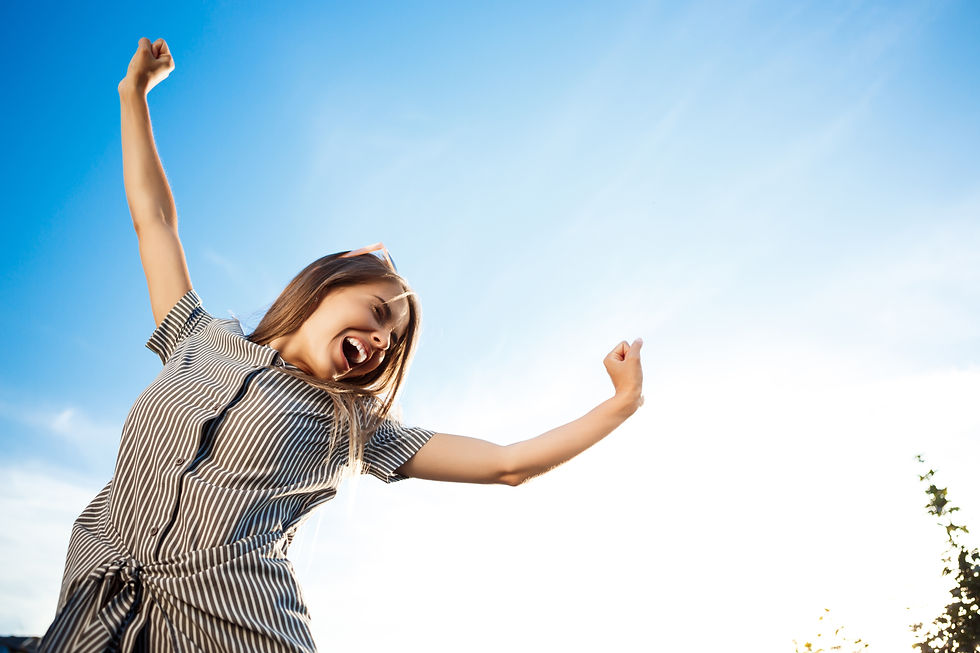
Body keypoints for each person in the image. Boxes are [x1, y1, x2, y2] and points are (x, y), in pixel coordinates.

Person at [37, 37, 644, 652]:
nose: (382, 340)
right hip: (95, 616)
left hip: (233, 628)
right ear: (335, 278)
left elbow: (506, 464)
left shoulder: (352, 423)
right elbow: (154, 221)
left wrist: (619, 405)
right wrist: (133, 93)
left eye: (393, 341)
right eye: (379, 313)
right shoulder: (198, 339)